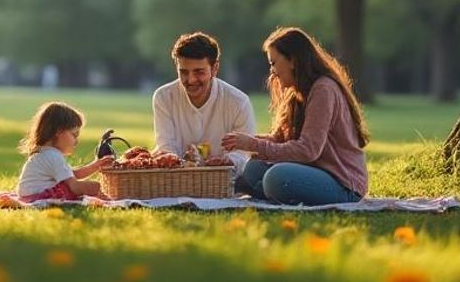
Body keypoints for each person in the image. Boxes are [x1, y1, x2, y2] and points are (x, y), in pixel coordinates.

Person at [222, 27, 369, 204]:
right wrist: (241, 142)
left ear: (292, 60)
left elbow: (308, 150)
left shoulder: (323, 89)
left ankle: (265, 189)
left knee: (275, 178)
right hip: (315, 171)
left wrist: (253, 144)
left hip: (343, 184)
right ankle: (266, 189)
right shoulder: (297, 92)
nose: (272, 71)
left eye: (273, 63)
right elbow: (281, 139)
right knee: (253, 168)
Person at [153, 31, 256, 177]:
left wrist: (227, 161)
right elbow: (166, 147)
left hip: (223, 180)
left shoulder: (238, 102)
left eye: (199, 72)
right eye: (183, 72)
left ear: (215, 69)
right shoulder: (163, 97)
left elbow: (243, 154)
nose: (191, 80)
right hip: (176, 179)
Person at [16, 101, 115, 202]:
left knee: (70, 186)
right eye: (74, 135)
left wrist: (95, 165)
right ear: (58, 132)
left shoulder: (44, 153)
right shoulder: (53, 156)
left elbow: (70, 175)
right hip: (39, 197)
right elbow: (74, 187)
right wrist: (96, 188)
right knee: (86, 187)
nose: (76, 141)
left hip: (29, 196)